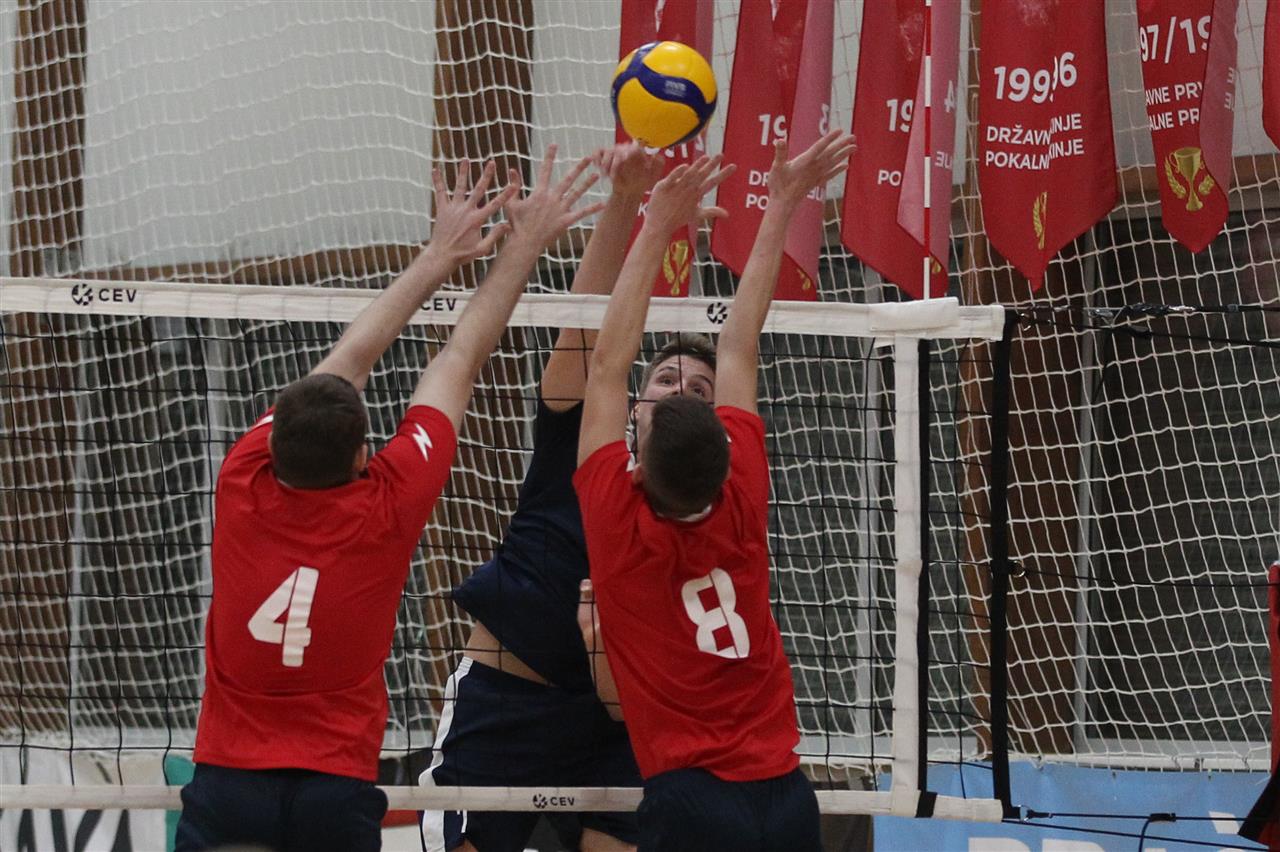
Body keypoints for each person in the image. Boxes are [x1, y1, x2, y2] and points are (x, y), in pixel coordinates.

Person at [175, 147, 603, 852]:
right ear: (361, 457)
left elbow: (349, 358)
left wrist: (436, 254)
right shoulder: (389, 502)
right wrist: (521, 245)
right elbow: (460, 357)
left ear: (274, 440)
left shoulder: (241, 478)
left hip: (228, 785)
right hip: (334, 791)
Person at [572, 130, 856, 852]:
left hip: (692, 801)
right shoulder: (744, 494)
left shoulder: (614, 518)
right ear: (726, 460)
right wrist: (782, 201)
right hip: (786, 797)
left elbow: (606, 368)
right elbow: (739, 345)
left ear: (638, 467)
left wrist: (656, 222)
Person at [419, 142, 689, 852]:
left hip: (621, 714)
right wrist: (626, 202)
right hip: (511, 696)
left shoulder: (709, 503)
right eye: (665, 379)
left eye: (698, 388)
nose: (679, 390)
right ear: (633, 406)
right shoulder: (587, 449)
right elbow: (586, 337)